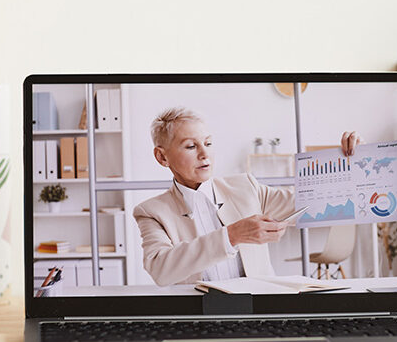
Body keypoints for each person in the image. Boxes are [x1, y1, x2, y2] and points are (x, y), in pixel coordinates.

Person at [133, 107, 362, 286]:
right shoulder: (152, 212)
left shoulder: (246, 187)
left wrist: (347, 164)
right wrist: (231, 236)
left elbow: (309, 201)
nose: (205, 154)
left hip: (258, 310)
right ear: (162, 157)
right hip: (200, 315)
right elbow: (160, 269)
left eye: (208, 143)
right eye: (191, 146)